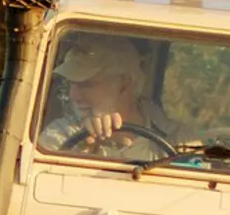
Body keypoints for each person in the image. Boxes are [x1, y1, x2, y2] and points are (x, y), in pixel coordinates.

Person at [41, 32, 175, 157]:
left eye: (87, 84)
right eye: (71, 84)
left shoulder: (178, 138)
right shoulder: (59, 136)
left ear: (124, 85)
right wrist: (83, 153)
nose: (74, 96)